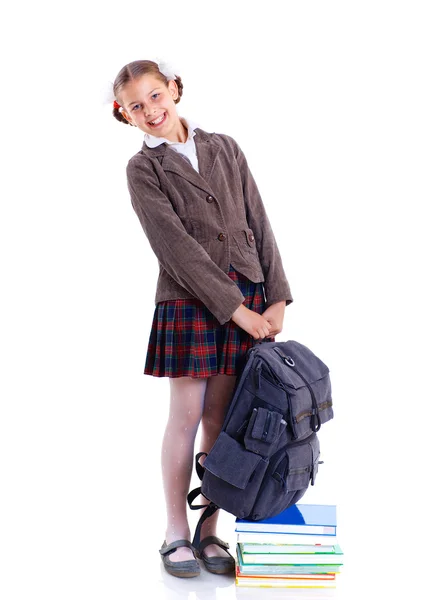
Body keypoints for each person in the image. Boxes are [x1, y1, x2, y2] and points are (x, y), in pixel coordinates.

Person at [111, 59, 293, 578]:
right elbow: (174, 248)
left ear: (174, 88)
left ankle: (208, 529)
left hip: (250, 291)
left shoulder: (225, 147)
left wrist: (275, 295)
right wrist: (235, 311)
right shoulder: (143, 169)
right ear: (125, 115)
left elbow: (259, 217)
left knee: (223, 419)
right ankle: (175, 531)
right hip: (190, 301)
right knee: (187, 416)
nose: (150, 109)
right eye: (135, 105)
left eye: (154, 95)